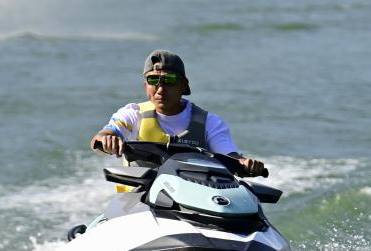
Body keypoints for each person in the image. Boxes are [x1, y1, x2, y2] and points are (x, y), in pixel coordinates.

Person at [89, 49, 266, 177]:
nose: (160, 88)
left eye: (169, 80)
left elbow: (230, 156)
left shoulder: (210, 123)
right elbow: (101, 138)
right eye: (153, 80)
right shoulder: (132, 114)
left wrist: (245, 164)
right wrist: (106, 139)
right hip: (137, 201)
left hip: (189, 202)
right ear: (145, 85)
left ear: (184, 85)